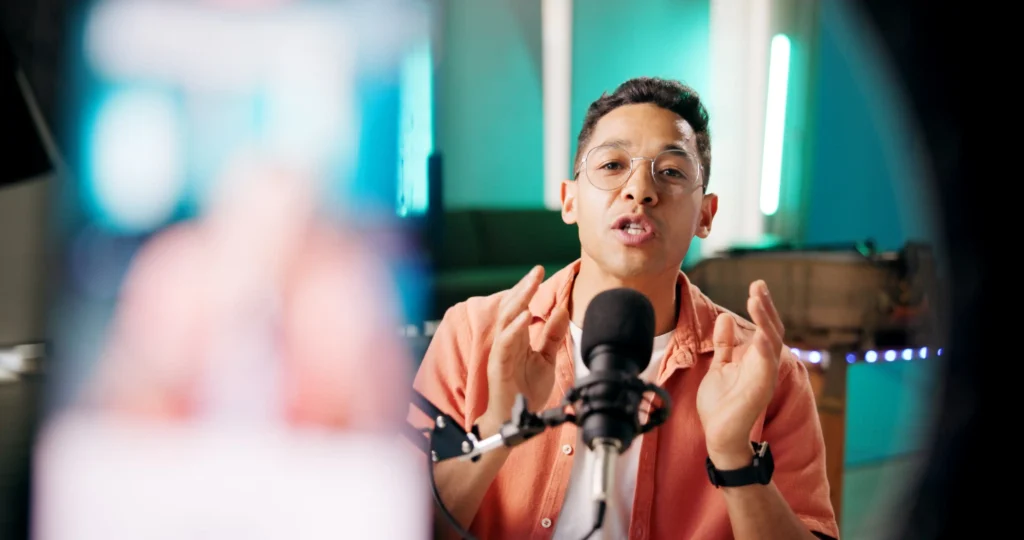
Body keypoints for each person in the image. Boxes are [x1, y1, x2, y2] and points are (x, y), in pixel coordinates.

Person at [411, 77, 838, 540]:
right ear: (569, 200)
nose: (640, 190)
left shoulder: (765, 371)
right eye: (613, 165)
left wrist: (734, 456)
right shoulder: (473, 333)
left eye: (672, 172)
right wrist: (497, 429)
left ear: (705, 215)